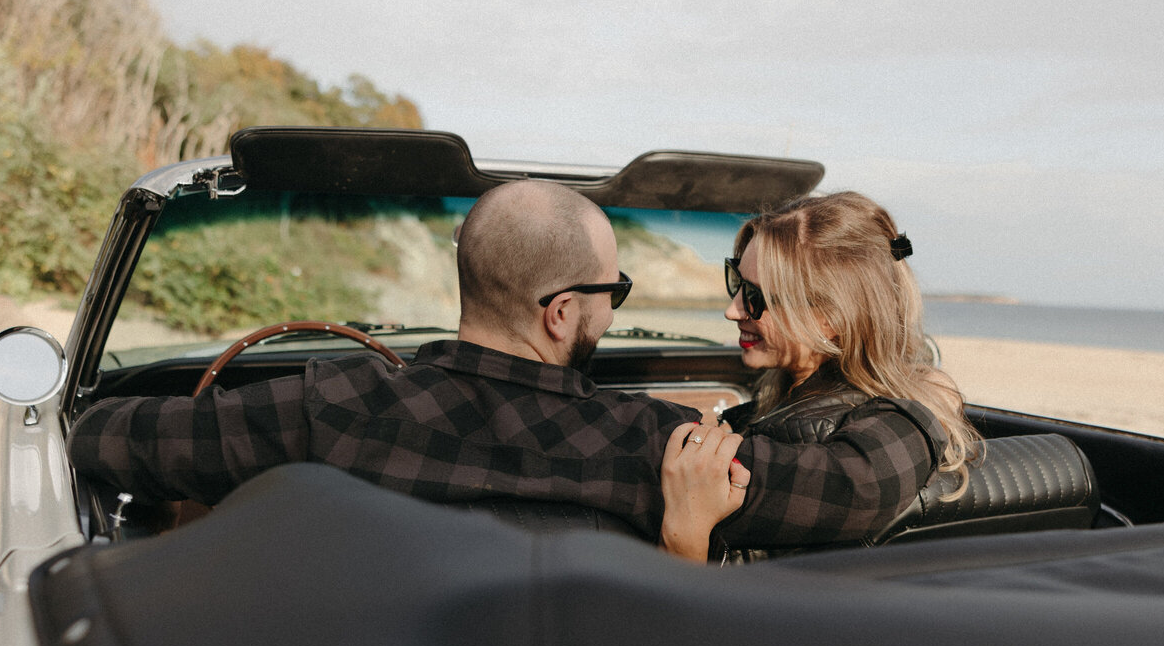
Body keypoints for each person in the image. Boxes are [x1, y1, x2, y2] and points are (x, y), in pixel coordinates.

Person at [68, 179, 709, 541]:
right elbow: (805, 487)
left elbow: (102, 437)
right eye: (614, 292)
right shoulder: (654, 441)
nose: (616, 311)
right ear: (562, 312)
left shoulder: (330, 407)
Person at [660, 191, 980, 563]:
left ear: (829, 318)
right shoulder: (874, 417)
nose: (732, 311)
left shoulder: (822, 450)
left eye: (755, 296)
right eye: (737, 281)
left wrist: (681, 536)